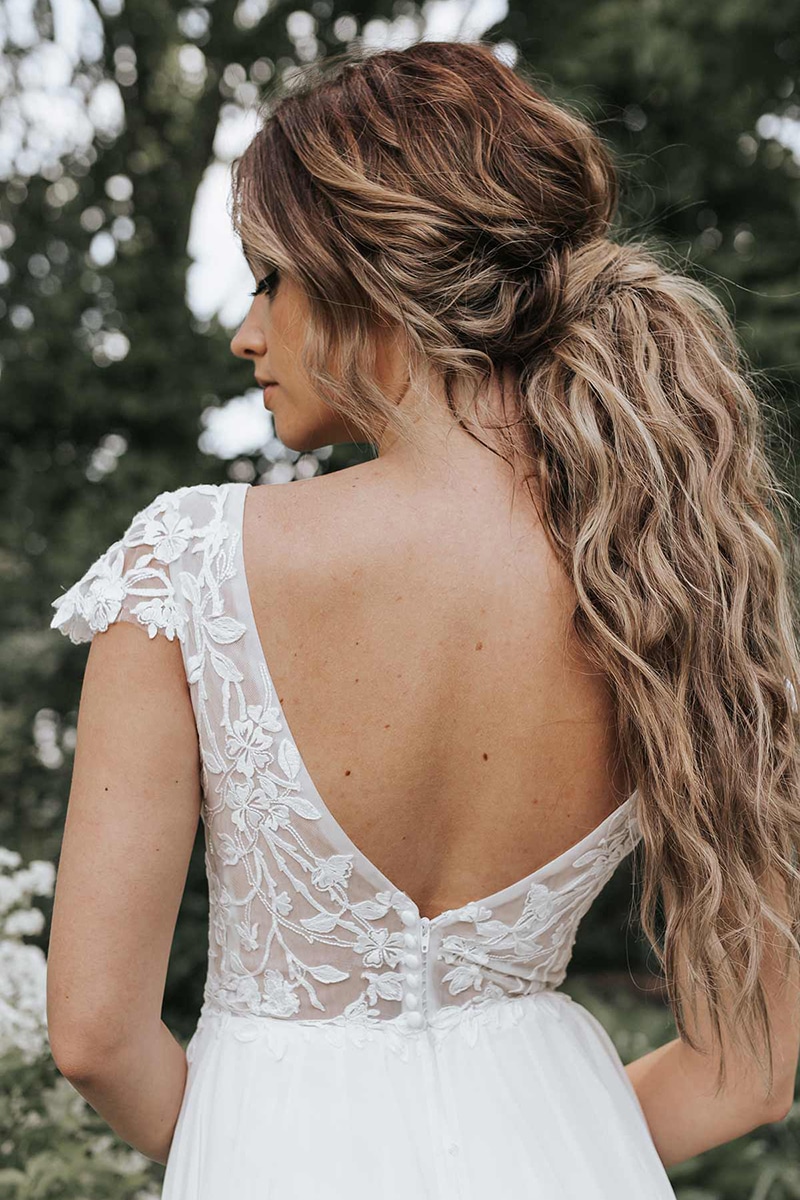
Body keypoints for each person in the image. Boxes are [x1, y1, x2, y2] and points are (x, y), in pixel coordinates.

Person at [45, 38, 800, 1199]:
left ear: (364, 272)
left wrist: (263, 1144)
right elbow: (748, 1073)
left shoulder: (187, 564)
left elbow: (96, 1037)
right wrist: (550, 1148)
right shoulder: (667, 571)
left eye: (268, 279)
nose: (247, 332)